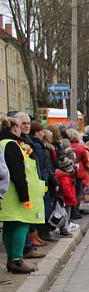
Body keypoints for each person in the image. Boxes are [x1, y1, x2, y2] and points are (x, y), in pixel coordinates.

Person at [0, 114, 46, 274]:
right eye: (20, 126)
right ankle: (17, 260)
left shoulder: (3, 143)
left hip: (6, 194)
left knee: (9, 226)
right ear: (14, 128)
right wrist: (24, 196)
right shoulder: (11, 145)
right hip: (14, 193)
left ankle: (11, 260)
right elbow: (18, 172)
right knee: (22, 224)